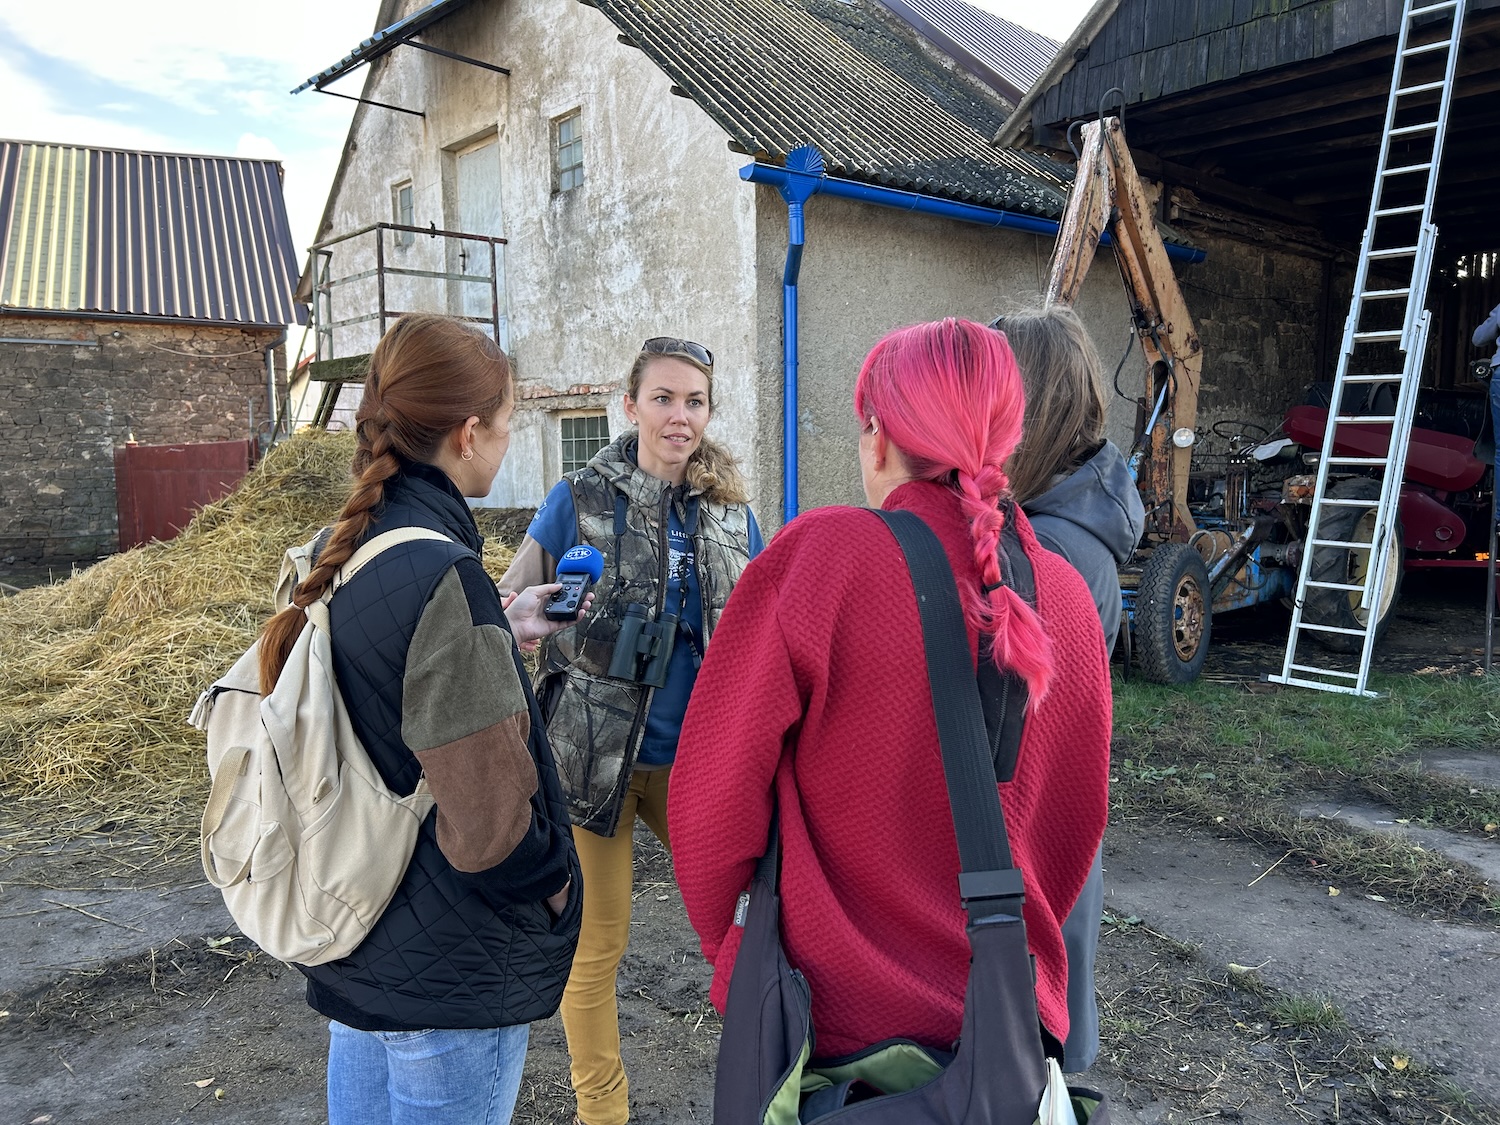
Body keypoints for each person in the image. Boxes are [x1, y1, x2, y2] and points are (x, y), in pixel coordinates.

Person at [668, 318, 1112, 1065]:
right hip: (1004, 1037)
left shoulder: (823, 559)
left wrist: (731, 949)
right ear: (1005, 440)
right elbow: (1074, 827)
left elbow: (711, 801)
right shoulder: (1067, 595)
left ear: (878, 438)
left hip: (830, 1030)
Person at [256, 314, 584, 1125]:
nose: (506, 441)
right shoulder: (445, 574)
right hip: (451, 970)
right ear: (468, 433)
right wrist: (553, 885)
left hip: (360, 945)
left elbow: (385, 678)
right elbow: (490, 826)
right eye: (506, 424)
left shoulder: (342, 547)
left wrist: (496, 626)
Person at [498, 336, 763, 1125]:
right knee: (594, 950)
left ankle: (765, 1091)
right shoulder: (577, 499)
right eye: (663, 398)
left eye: (694, 401)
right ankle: (603, 1115)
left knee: (750, 932)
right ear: (631, 405)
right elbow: (508, 606)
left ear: (708, 412)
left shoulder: (732, 513)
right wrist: (534, 624)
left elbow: (766, 630)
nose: (679, 415)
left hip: (699, 765)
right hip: (590, 762)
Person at [999, 306, 1145, 1074]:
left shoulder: (1046, 548)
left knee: (1022, 1057)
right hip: (1056, 835)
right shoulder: (1064, 524)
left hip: (1030, 847)